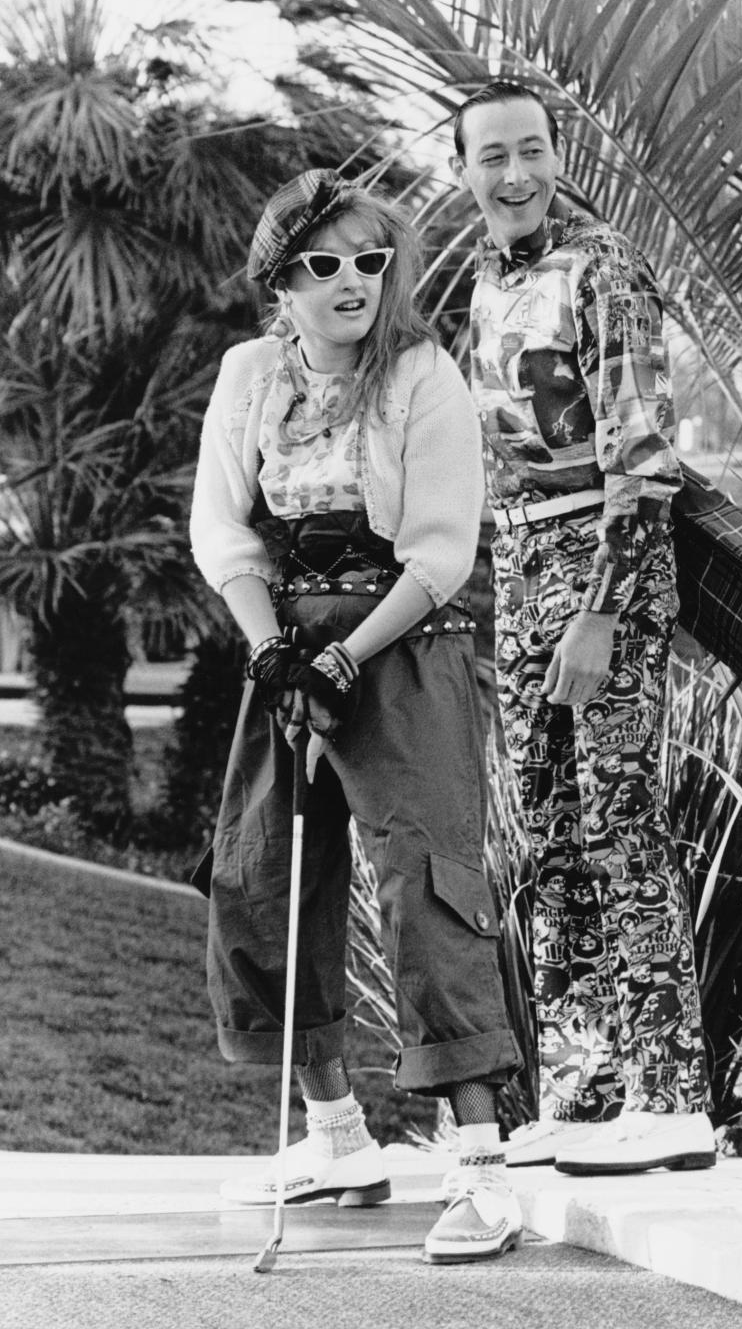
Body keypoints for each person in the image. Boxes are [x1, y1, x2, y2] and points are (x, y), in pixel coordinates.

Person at [189, 167, 524, 1263]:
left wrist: (344, 653)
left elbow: (439, 546)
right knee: (262, 879)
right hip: (285, 650)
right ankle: (335, 1133)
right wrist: (277, 649)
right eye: (323, 265)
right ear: (279, 281)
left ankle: (479, 1164)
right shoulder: (249, 374)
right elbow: (223, 530)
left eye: (370, 263)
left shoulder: (423, 372)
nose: (351, 283)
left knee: (426, 881)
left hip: (402, 643)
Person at [449, 80, 716, 1176]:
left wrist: (602, 609)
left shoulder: (601, 267)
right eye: (491, 157)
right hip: (519, 564)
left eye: (531, 151)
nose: (513, 175)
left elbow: (642, 456)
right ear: (463, 170)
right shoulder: (482, 284)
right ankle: (585, 1085)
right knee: (549, 835)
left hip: (605, 561)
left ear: (559, 155)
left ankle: (673, 1095)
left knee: (619, 817)